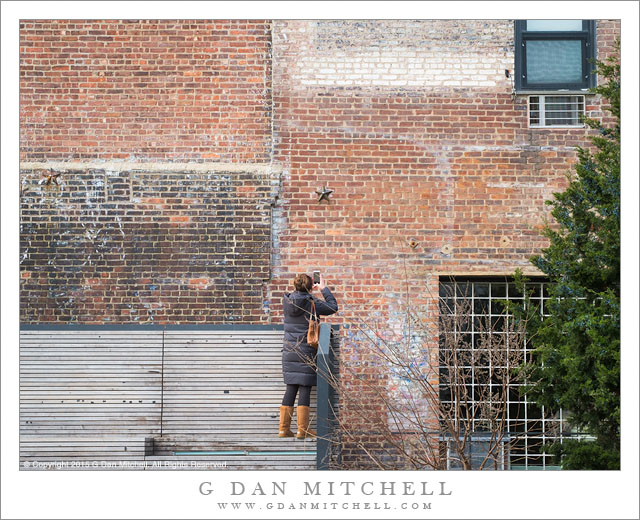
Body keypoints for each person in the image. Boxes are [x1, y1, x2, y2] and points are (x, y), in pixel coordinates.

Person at [278, 273, 338, 438]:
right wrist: (323, 288)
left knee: (291, 387)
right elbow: (333, 307)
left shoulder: (287, 301)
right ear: (311, 287)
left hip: (290, 350)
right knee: (304, 387)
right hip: (306, 351)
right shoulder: (312, 303)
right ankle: (302, 430)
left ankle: (283, 428)